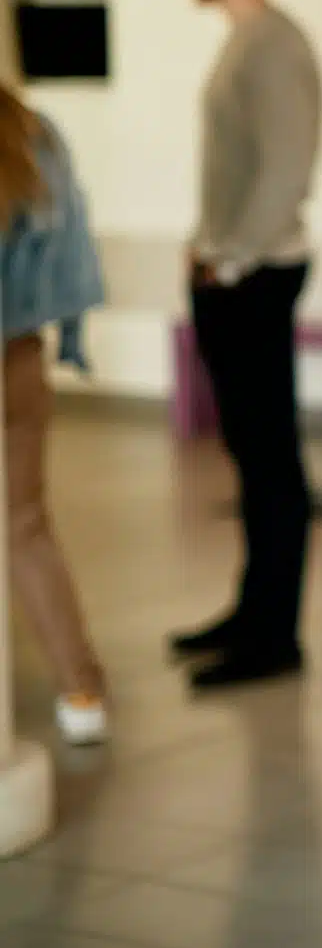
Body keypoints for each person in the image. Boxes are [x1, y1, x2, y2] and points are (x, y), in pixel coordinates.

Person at [168, 0, 322, 690]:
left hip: (254, 277)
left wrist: (227, 261)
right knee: (249, 453)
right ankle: (250, 609)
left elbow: (286, 168)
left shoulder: (274, 42)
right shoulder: (246, 40)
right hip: (237, 274)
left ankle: (273, 634)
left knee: (266, 459)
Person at [1, 90, 112, 746]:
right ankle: (82, 689)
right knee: (26, 528)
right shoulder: (31, 129)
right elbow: (73, 246)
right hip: (19, 358)